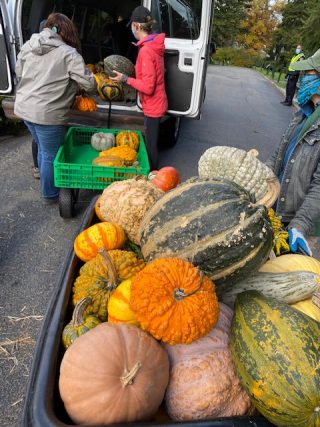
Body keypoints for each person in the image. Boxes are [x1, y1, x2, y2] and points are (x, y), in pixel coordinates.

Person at [14, 13, 96, 203]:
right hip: (48, 114)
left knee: (44, 149)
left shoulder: (28, 46)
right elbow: (89, 84)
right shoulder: (68, 53)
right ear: (64, 31)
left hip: (25, 109)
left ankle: (47, 186)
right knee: (50, 154)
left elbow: (19, 72)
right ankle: (50, 194)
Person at [267, 48, 320, 256]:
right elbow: (279, 154)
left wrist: (300, 225)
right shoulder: (304, 113)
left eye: (308, 74)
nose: (302, 79)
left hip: (300, 223)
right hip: (277, 211)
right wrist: (256, 180)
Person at [109, 6, 168, 170]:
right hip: (155, 103)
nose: (131, 29)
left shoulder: (147, 51)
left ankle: (154, 178)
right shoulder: (151, 45)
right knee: (152, 143)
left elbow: (148, 87)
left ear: (136, 26)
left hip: (153, 106)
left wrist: (125, 79)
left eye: (132, 26)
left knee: (151, 147)